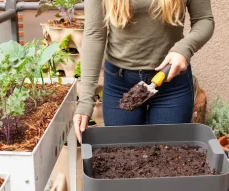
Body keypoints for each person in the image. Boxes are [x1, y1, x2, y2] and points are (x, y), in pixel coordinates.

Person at [73, 0, 215, 142]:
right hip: (120, 84)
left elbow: (204, 19)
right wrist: (85, 101)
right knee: (123, 155)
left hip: (171, 82)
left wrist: (185, 49)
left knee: (168, 156)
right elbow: (95, 34)